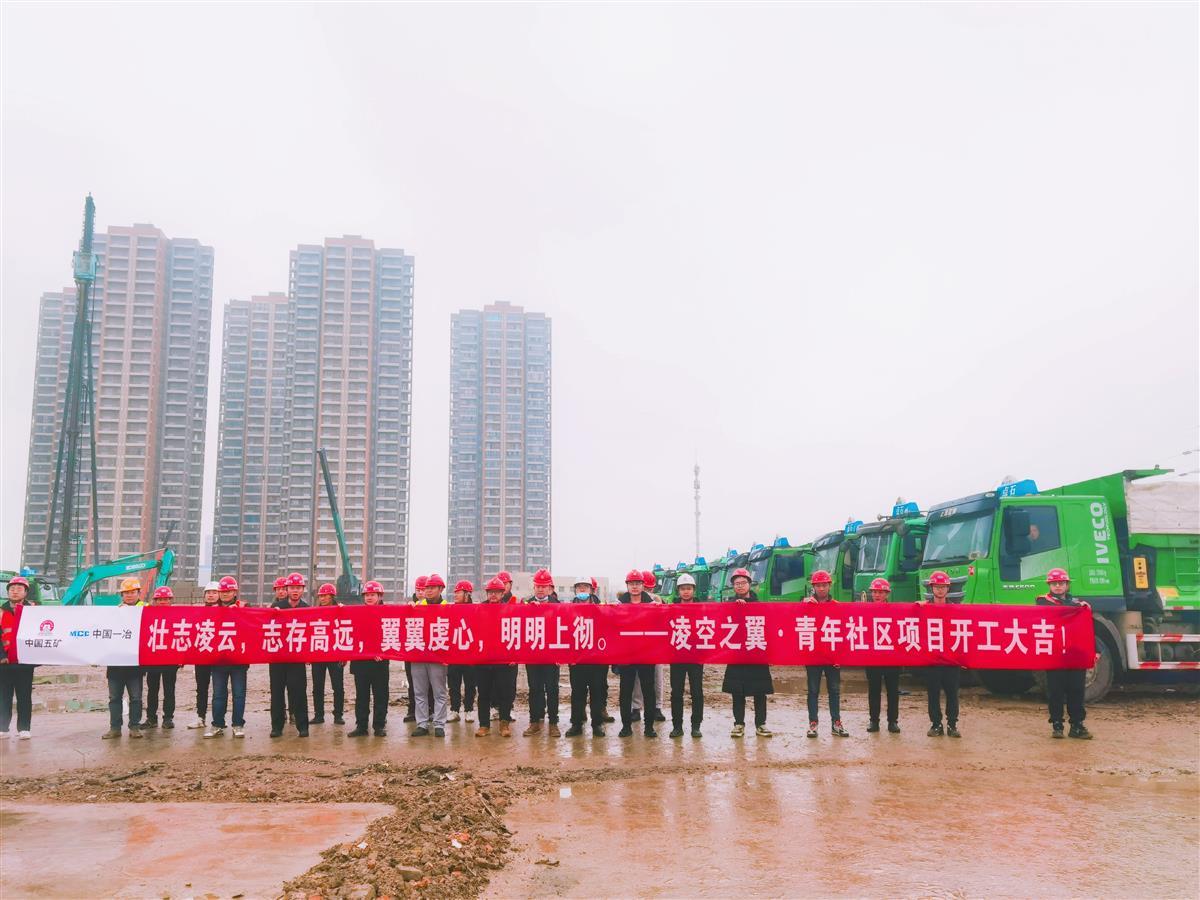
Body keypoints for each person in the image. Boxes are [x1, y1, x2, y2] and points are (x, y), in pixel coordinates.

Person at [1038, 568, 1094, 739]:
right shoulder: (1043, 601)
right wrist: (1078, 607)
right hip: (1055, 654)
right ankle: (1057, 725)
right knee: (1055, 691)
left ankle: (1077, 725)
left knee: (1076, 690)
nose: (1058, 586)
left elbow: (1088, 629)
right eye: (1054, 583)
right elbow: (1050, 610)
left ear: (1067, 585)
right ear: (1049, 585)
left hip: (1075, 653)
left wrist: (1095, 651)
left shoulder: (1078, 605)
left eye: (1061, 583)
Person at [722, 568, 774, 737]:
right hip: (737, 653)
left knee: (760, 691)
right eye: (736, 583)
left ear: (749, 584)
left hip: (756, 651)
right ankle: (738, 724)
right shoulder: (728, 605)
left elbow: (768, 626)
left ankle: (761, 724)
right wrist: (735, 609)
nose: (740, 586)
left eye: (743, 582)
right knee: (737, 691)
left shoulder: (759, 605)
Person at [803, 570, 848, 738]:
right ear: (813, 587)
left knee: (834, 691)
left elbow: (843, 631)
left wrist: (840, 656)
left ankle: (836, 723)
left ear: (829, 586)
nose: (821, 588)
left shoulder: (837, 606)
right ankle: (813, 723)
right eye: (818, 585)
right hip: (813, 656)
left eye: (824, 585)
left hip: (832, 656)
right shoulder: (806, 605)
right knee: (813, 691)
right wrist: (803, 605)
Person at [617, 569, 659, 738]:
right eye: (631, 584)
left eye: (637, 583)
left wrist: (660, 610)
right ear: (627, 586)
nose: (634, 587)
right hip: (626, 654)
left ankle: (649, 727)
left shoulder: (652, 605)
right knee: (625, 691)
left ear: (643, 585)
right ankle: (626, 726)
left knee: (649, 691)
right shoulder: (619, 605)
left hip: (646, 653)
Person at [102, 578, 146, 740]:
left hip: (135, 665)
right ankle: (115, 728)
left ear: (138, 593)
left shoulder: (146, 610)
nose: (129, 595)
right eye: (126, 592)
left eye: (132, 592)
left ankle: (134, 727)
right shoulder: (115, 612)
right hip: (115, 665)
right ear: (122, 595)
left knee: (136, 698)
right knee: (114, 698)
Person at [919, 571, 961, 737]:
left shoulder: (956, 609)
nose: (940, 590)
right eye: (937, 587)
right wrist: (917, 607)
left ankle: (952, 725)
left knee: (952, 693)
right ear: (932, 588)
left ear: (948, 589)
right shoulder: (924, 608)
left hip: (951, 660)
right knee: (933, 694)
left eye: (943, 587)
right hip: (932, 660)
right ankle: (936, 724)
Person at [206, 576, 249, 738]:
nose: (225, 594)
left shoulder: (244, 607)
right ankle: (217, 724)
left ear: (235, 592)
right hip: (218, 660)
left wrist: (239, 611)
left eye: (228, 591)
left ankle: (238, 724)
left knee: (239, 694)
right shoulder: (211, 610)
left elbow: (255, 623)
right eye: (222, 591)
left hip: (238, 661)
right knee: (218, 695)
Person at [269, 573, 310, 737]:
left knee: (299, 693)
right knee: (277, 693)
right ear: (287, 589)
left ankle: (303, 726)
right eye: (292, 588)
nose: (295, 591)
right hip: (278, 658)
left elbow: (312, 632)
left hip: (297, 659)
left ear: (303, 590)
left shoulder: (307, 609)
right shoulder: (277, 607)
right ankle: (276, 727)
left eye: (298, 588)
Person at [475, 577, 516, 737]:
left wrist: (514, 656)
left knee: (505, 693)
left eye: (497, 592)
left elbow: (515, 633)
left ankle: (504, 723)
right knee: (484, 694)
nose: (493, 595)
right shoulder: (478, 610)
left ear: (502, 593)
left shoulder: (509, 610)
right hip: (483, 659)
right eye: (490, 592)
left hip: (504, 660)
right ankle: (484, 725)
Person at [566, 578, 606, 738]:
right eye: (579, 587)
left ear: (591, 590)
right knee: (577, 693)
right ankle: (576, 724)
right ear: (575, 590)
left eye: (585, 587)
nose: (582, 589)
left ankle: (597, 724)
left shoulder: (602, 608)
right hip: (577, 660)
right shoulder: (568, 609)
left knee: (597, 693)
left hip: (597, 659)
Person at [523, 568, 561, 736]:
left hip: (552, 655)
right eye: (538, 586)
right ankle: (534, 722)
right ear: (534, 587)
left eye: (544, 586)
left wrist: (561, 655)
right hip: (533, 654)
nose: (540, 589)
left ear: (550, 588)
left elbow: (562, 630)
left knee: (552, 689)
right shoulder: (526, 604)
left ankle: (553, 723)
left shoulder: (557, 605)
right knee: (534, 689)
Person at [349, 581, 390, 737]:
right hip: (361, 662)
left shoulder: (387, 613)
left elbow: (392, 634)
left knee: (381, 695)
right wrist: (340, 610)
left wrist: (383, 652)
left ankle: (379, 726)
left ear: (379, 596)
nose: (369, 597)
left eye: (372, 595)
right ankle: (361, 726)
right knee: (361, 696)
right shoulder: (357, 612)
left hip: (380, 663)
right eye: (366, 595)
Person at [412, 574, 450, 737]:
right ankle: (422, 724)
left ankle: (439, 724)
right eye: (426, 588)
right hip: (419, 655)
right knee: (419, 692)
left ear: (441, 589)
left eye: (432, 588)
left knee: (439, 692)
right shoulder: (416, 606)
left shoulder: (448, 608)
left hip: (438, 656)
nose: (428, 591)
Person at [1, 575, 38, 739]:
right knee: (3, 696)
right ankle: (3, 727)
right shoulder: (1, 611)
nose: (15, 591)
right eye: (12, 589)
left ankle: (24, 728)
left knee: (24, 695)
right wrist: (1, 655)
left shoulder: (34, 611)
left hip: (25, 661)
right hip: (4, 661)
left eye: (19, 589)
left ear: (25, 592)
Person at [668, 573, 704, 738]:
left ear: (693, 590)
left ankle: (696, 726)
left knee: (697, 692)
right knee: (676, 692)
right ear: (679, 591)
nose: (686, 591)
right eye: (683, 589)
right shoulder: (671, 608)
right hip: (677, 655)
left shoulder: (702, 608)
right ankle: (677, 726)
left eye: (689, 588)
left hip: (696, 655)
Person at [864, 577, 901, 734]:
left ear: (887, 594)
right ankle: (874, 721)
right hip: (873, 658)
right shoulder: (865, 611)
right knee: (874, 690)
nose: (877, 595)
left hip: (892, 658)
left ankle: (892, 722)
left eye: (881, 592)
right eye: (875, 592)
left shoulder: (896, 611)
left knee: (893, 691)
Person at [141, 586, 180, 730]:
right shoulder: (147, 614)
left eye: (166, 599)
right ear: (155, 601)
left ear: (171, 600)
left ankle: (168, 718)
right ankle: (151, 718)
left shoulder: (178, 615)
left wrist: (182, 657)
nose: (163, 602)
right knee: (152, 690)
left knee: (169, 690)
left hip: (171, 659)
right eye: (159, 599)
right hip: (153, 659)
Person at [187, 581, 221, 730]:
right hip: (201, 655)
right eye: (208, 593)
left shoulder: (227, 611)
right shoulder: (198, 612)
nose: (211, 595)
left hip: (219, 656)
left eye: (214, 592)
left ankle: (218, 718)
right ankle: (201, 717)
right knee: (201, 688)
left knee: (219, 690)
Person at [310, 583, 346, 725]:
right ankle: (319, 715)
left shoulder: (341, 610)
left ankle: (338, 715)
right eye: (320, 596)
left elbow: (346, 631)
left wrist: (344, 654)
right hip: (318, 653)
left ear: (332, 596)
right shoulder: (314, 612)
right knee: (317, 687)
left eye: (325, 596)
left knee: (338, 687)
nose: (322, 598)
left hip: (335, 653)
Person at [447, 580, 476, 724]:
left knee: (470, 684)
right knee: (453, 684)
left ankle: (469, 710)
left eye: (458, 592)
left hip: (470, 654)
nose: (455, 595)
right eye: (455, 592)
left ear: (467, 594)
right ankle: (455, 710)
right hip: (454, 654)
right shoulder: (450, 609)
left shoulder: (475, 610)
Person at [639, 570, 666, 724]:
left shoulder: (657, 601)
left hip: (655, 643)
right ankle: (636, 707)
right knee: (637, 679)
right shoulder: (632, 600)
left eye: (650, 589)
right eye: (646, 589)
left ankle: (657, 707)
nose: (648, 592)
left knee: (657, 676)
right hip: (638, 643)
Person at [403, 574, 428, 723]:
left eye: (423, 589)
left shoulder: (434, 606)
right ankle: (412, 710)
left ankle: (429, 710)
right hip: (411, 650)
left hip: (427, 650)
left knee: (429, 684)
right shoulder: (409, 606)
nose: (420, 592)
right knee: (412, 683)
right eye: (418, 590)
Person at [497, 570, 520, 726]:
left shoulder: (516, 601)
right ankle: (495, 707)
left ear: (510, 585)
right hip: (496, 648)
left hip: (511, 647)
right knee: (494, 682)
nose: (503, 586)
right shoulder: (491, 602)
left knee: (510, 683)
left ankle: (508, 708)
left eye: (505, 583)